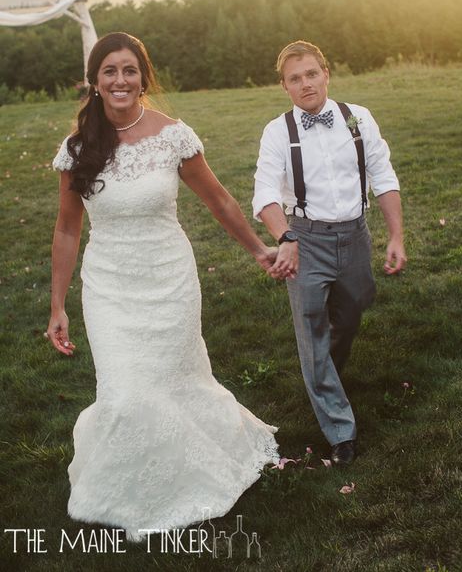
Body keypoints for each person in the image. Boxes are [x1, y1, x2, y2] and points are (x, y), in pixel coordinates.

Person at [47, 31, 280, 542]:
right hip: (108, 287)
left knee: (175, 383)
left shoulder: (174, 136)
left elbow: (219, 200)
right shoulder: (77, 148)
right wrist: (57, 305)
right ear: (95, 80)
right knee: (126, 394)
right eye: (110, 71)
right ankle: (128, 489)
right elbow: (67, 229)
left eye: (129, 69)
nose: (120, 80)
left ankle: (190, 474)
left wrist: (259, 249)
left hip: (169, 280)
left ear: (143, 76)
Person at [252, 40, 406, 466]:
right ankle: (341, 432)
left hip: (355, 235)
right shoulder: (277, 131)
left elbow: (383, 174)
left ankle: (326, 377)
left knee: (353, 309)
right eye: (295, 78)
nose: (306, 84)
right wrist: (285, 237)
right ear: (284, 86)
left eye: (311, 74)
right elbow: (265, 193)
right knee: (312, 327)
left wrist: (396, 236)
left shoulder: (358, 118)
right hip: (304, 239)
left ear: (326, 73)